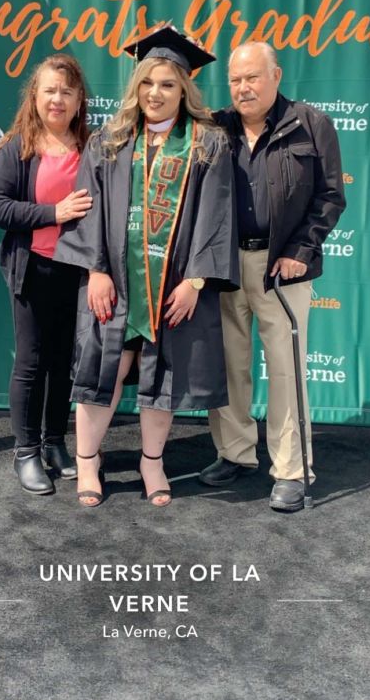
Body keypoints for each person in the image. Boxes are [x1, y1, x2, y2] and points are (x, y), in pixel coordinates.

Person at [54, 25, 240, 507]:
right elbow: (89, 208)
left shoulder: (207, 144)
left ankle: (151, 463)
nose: (156, 93)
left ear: (184, 89)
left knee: (164, 374)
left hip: (173, 285)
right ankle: (88, 462)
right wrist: (95, 270)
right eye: (148, 83)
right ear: (136, 87)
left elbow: (217, 216)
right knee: (105, 370)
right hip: (114, 282)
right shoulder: (109, 141)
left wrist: (195, 281)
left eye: (168, 84)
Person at [199, 41, 346, 512]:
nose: (243, 88)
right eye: (235, 80)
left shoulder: (311, 124)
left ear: (276, 76)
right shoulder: (216, 127)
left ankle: (292, 470)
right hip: (226, 266)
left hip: (283, 267)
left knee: (285, 370)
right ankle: (235, 452)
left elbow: (330, 197)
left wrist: (301, 250)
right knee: (229, 364)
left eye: (252, 77)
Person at [0, 54, 92, 495]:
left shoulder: (92, 146)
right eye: (49, 90)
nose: (57, 99)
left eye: (66, 91)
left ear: (80, 100)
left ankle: (54, 443)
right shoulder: (18, 147)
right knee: (31, 362)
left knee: (63, 363)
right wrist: (53, 213)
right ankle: (25, 452)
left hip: (76, 273)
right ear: (35, 96)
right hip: (32, 269)